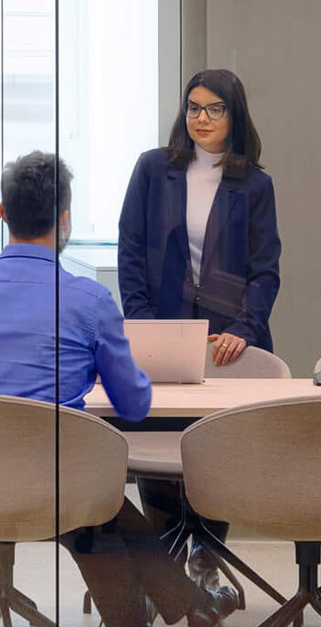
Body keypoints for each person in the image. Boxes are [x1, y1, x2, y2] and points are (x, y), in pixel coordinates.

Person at [0, 151, 238, 627]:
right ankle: (176, 612)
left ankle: (164, 620)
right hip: (58, 490)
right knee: (96, 503)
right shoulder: (88, 300)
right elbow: (134, 406)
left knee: (99, 505)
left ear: (2, 214)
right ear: (65, 219)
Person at [117, 67, 281, 595]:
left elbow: (265, 270)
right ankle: (164, 562)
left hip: (225, 343)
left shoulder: (254, 184)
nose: (201, 118)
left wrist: (245, 328)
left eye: (213, 108)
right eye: (193, 107)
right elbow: (131, 252)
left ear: (234, 116)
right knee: (159, 447)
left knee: (216, 452)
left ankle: (206, 560)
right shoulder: (152, 170)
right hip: (161, 334)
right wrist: (142, 325)